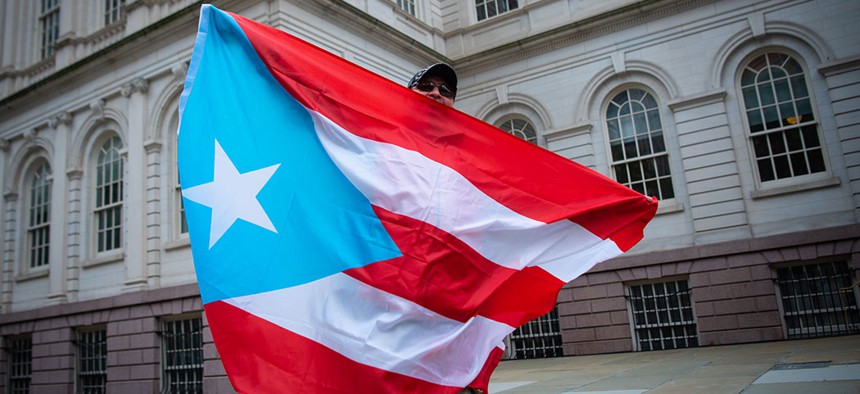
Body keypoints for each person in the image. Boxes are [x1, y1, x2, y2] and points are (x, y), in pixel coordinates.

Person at [409, 63, 484, 394]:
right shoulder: (377, 141)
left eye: (445, 90)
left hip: (454, 292)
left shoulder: (472, 152)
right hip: (398, 289)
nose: (436, 93)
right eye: (426, 86)